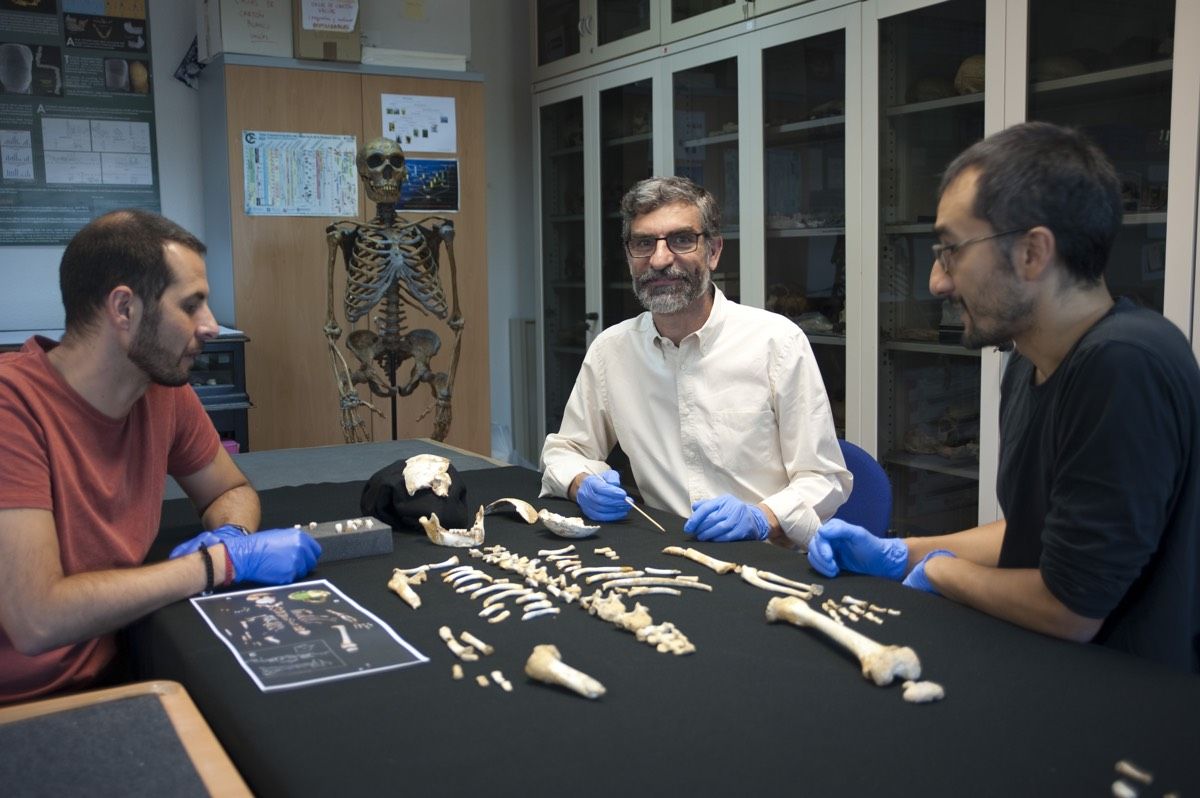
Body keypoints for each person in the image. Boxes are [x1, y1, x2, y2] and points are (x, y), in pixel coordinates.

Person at [807, 122, 1200, 672]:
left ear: (1033, 253)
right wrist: (903, 550)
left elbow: (1071, 609)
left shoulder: (1124, 364)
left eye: (951, 251)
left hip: (1130, 703)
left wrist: (938, 570)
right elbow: (1039, 532)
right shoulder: (1027, 361)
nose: (938, 282)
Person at [0, 209, 322, 703]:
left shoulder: (161, 388)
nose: (211, 326)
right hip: (27, 703)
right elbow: (36, 619)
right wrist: (218, 564)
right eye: (191, 306)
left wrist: (232, 534)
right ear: (124, 309)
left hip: (119, 661)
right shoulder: (12, 407)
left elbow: (229, 488)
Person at [540, 176, 850, 548]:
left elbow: (825, 479)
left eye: (682, 239)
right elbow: (565, 451)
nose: (659, 259)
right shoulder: (612, 351)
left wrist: (762, 518)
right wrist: (580, 483)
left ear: (714, 251)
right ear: (629, 256)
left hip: (767, 560)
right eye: (643, 243)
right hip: (667, 556)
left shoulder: (776, 343)